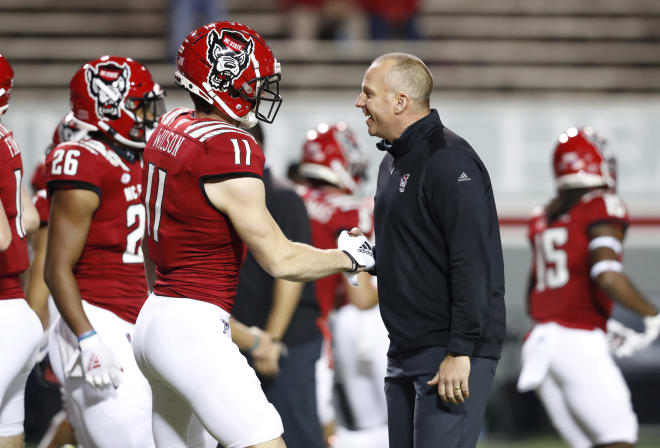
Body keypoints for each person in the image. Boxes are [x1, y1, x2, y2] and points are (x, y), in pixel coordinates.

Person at [132, 21, 374, 448]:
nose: (258, 91)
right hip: (193, 326)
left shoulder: (170, 125)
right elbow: (281, 260)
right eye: (252, 82)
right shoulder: (229, 147)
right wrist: (347, 257)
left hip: (154, 316)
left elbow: (154, 249)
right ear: (222, 79)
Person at [352, 52, 506, 448]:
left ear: (400, 101)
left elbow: (472, 261)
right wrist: (369, 255)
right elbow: (419, 253)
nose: (359, 102)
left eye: (368, 94)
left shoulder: (448, 159)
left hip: (447, 349)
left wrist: (460, 349)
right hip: (404, 348)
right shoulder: (392, 162)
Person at [43, 55, 166, 448]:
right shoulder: (82, 159)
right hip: (97, 317)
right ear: (109, 106)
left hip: (136, 319)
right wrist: (87, 337)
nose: (150, 116)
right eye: (140, 106)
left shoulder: (136, 156)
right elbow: (56, 267)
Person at [517, 127, 660, 448]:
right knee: (619, 438)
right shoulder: (601, 205)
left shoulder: (543, 216)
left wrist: (602, 322)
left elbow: (538, 298)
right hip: (574, 342)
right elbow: (606, 273)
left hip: (540, 344)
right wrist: (652, 314)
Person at [232, 122, 326, 448]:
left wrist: (269, 340)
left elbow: (290, 273)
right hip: (242, 340)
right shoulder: (231, 194)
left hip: (287, 343)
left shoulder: (283, 197)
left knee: (298, 436)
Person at [295, 122, 386, 447]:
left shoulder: (288, 197)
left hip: (269, 321)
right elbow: (361, 296)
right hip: (327, 326)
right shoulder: (349, 210)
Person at [0, 53, 43, 448]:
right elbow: (28, 218)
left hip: (1, 315)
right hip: (18, 314)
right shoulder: (5, 136)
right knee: (8, 434)